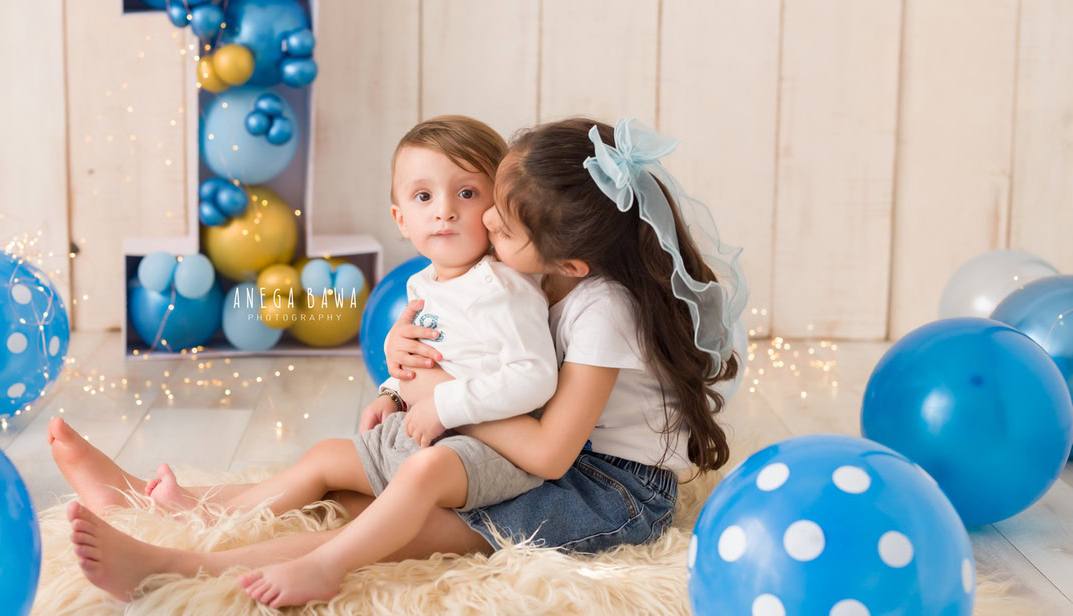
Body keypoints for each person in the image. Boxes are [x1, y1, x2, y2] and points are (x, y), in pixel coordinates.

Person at [52, 116, 749, 609]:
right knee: (352, 482)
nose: (481, 230)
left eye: (499, 226)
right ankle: (165, 503)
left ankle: (179, 566)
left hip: (608, 489)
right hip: (535, 444)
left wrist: (439, 395)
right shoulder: (537, 269)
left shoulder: (603, 308)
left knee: (391, 526)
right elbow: (472, 344)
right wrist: (400, 368)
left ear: (568, 259)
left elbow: (548, 452)